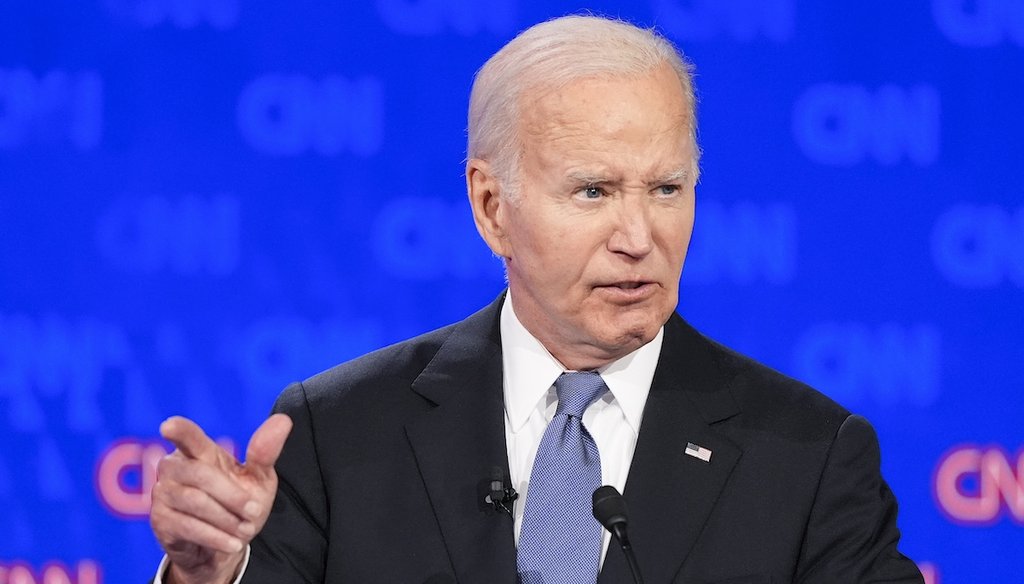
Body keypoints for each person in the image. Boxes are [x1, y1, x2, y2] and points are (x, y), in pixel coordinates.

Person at [149, 15, 924, 584]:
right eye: (593, 190)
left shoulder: (810, 455)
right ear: (492, 208)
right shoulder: (340, 431)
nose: (637, 234)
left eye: (666, 189)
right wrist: (206, 575)